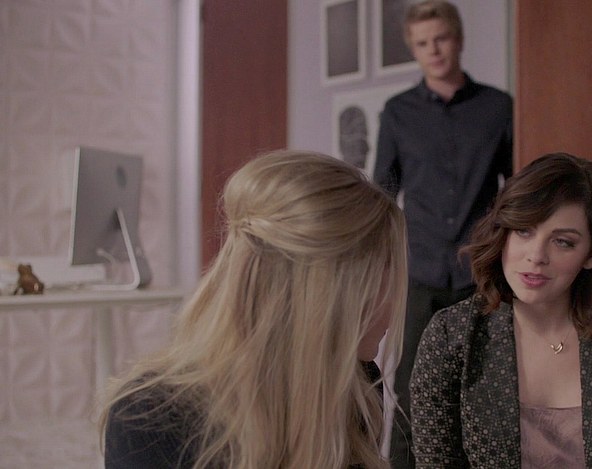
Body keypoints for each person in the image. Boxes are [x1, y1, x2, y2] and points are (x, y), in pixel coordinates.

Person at [100, 150, 409, 469]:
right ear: (333, 291)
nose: (398, 301)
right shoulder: (150, 418)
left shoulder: (356, 387)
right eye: (387, 275)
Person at [410, 152, 592, 468]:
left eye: (562, 241)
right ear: (503, 233)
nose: (536, 256)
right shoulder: (452, 337)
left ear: (591, 254)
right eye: (523, 231)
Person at [372, 2, 513, 466]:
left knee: (483, 390)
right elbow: (383, 194)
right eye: (422, 43)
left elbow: (518, 192)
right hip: (421, 273)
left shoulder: (499, 108)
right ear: (413, 50)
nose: (433, 50)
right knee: (412, 390)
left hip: (480, 274)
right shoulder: (397, 113)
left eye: (441, 38)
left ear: (459, 39)